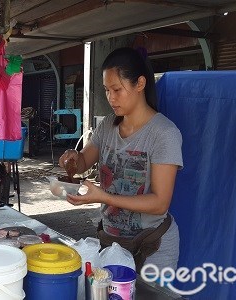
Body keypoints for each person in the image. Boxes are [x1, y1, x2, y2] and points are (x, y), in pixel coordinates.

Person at [59, 47, 183, 272]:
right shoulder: (108, 124)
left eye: (117, 89)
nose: (111, 98)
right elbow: (84, 162)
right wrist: (72, 160)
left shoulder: (164, 133)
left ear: (140, 84)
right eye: (107, 90)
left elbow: (159, 203)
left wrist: (105, 197)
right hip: (112, 244)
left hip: (152, 248)